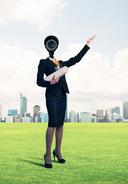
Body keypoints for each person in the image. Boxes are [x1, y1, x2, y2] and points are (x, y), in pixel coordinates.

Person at [36, 34, 96, 168]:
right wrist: (50, 82)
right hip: (51, 96)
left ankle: (57, 151)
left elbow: (76, 59)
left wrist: (87, 45)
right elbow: (39, 81)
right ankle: (47, 154)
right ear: (47, 46)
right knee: (52, 124)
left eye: (54, 43)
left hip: (62, 95)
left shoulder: (61, 63)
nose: (52, 45)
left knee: (60, 124)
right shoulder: (43, 62)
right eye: (50, 44)